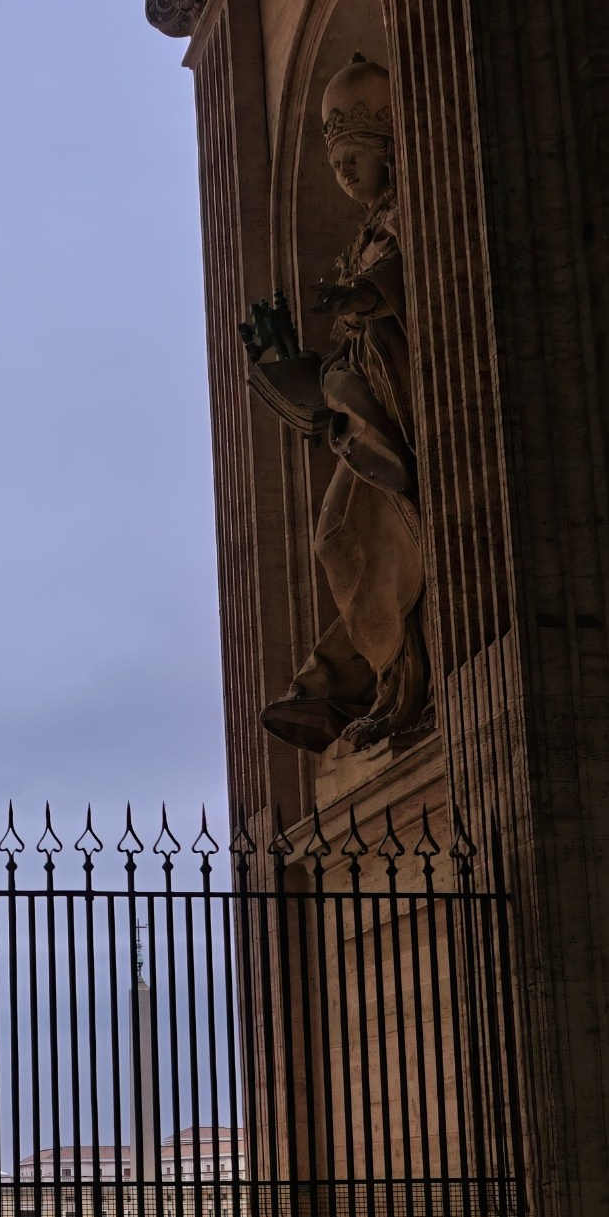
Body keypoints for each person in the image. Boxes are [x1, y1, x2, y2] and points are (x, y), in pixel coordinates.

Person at [241, 54, 428, 754]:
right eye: (338, 163)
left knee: (347, 539)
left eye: (355, 158)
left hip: (399, 415)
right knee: (337, 538)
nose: (345, 174)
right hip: (366, 412)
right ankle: (359, 683)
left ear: (385, 151)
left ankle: (375, 687)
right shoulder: (361, 234)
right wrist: (294, 372)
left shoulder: (406, 211)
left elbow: (413, 275)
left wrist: (365, 296)